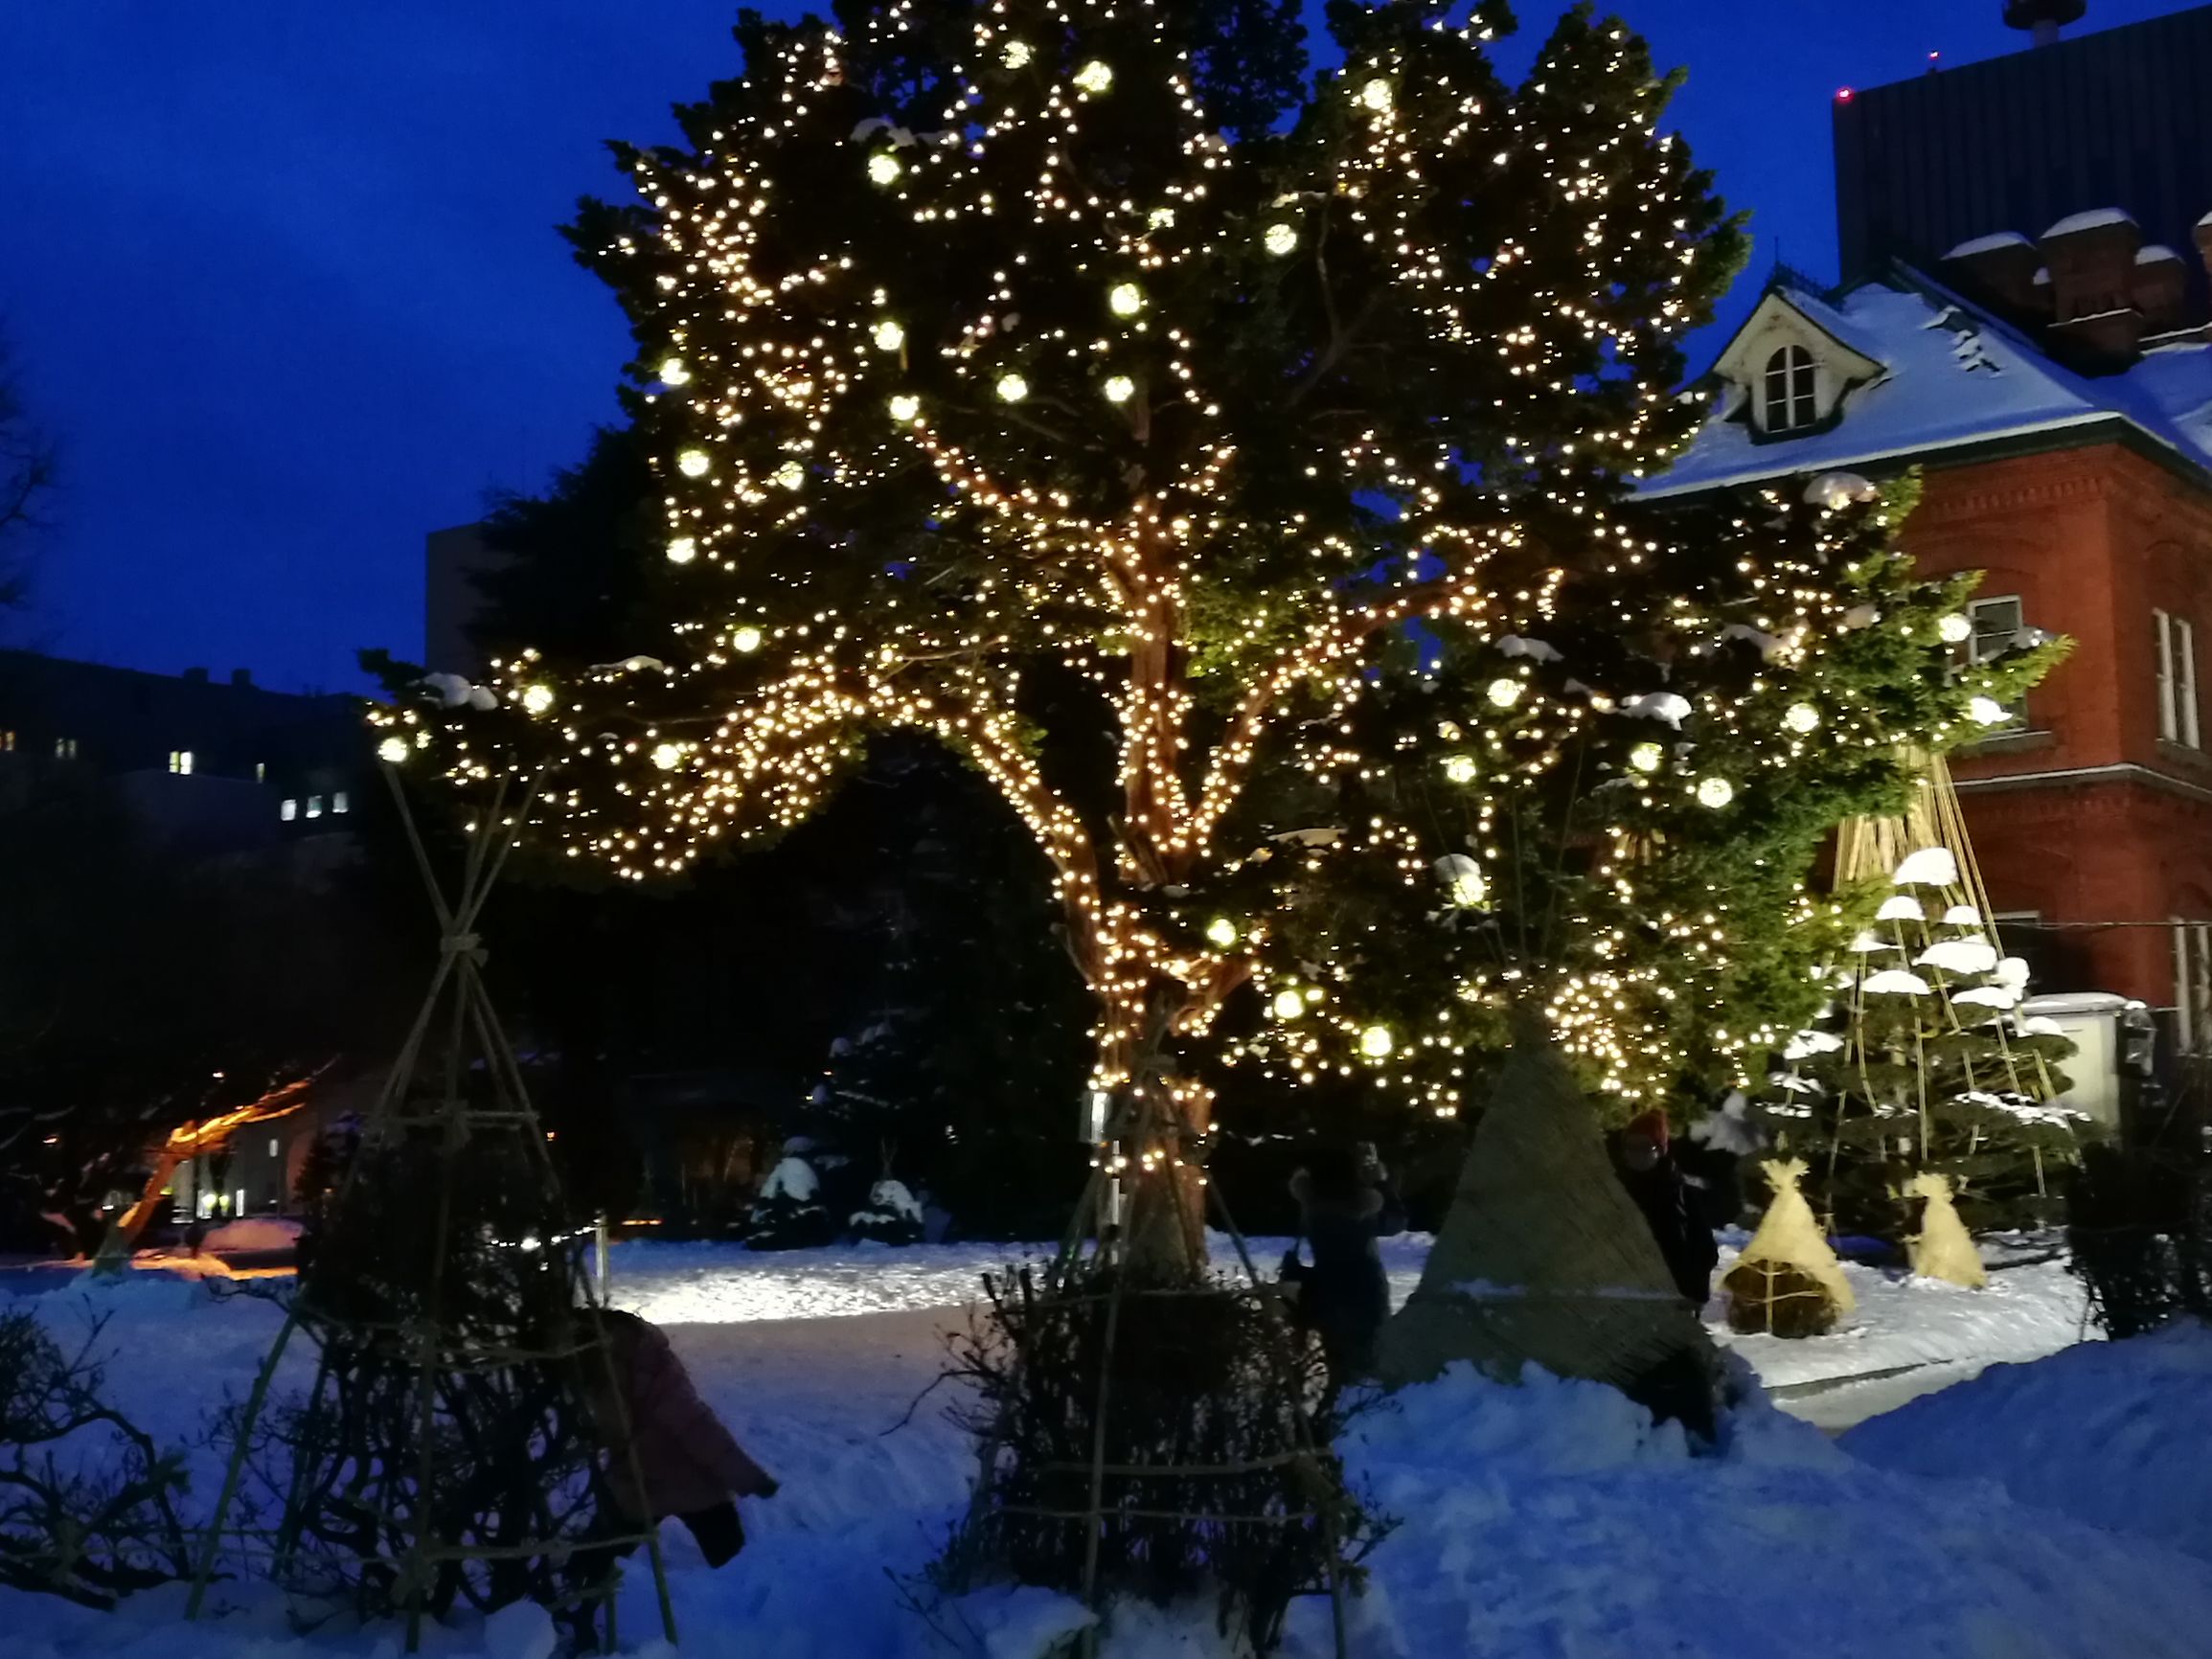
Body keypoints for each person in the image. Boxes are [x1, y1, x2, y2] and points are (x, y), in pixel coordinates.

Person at [583, 1307, 779, 1568]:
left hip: (661, 1481)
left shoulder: (634, 1373)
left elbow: (697, 1428)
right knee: (736, 1562)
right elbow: (694, 1426)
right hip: (659, 1482)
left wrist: (749, 1478)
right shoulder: (626, 1370)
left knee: (735, 1563)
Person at [1287, 1143, 1406, 1386]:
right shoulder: (1359, 1209)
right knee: (1368, 1362)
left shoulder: (1313, 1208)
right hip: (1364, 1293)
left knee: (1338, 1362)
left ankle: (1335, 1410)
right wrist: (1381, 1182)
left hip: (1326, 1292)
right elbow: (1396, 1221)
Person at [1611, 1110, 1721, 1307]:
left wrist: (1693, 1292)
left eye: (1644, 1146)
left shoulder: (1680, 1193)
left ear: (1660, 1149)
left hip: (1671, 1296)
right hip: (1621, 1294)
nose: (1637, 1154)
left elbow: (1705, 1249)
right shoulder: (1613, 1189)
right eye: (1631, 1147)